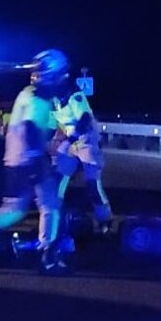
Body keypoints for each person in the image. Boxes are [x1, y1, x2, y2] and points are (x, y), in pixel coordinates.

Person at [0, 49, 66, 274]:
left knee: (14, 209)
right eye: (60, 75)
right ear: (51, 75)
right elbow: (30, 128)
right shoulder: (38, 98)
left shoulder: (26, 92)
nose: (62, 79)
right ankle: (48, 256)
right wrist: (37, 160)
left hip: (13, 159)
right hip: (29, 160)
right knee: (51, 206)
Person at [52, 70, 113, 234]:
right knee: (57, 179)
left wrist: (72, 138)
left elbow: (84, 118)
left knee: (92, 184)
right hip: (71, 140)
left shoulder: (74, 95)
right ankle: (52, 216)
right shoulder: (53, 99)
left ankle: (105, 220)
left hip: (87, 140)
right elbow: (57, 124)